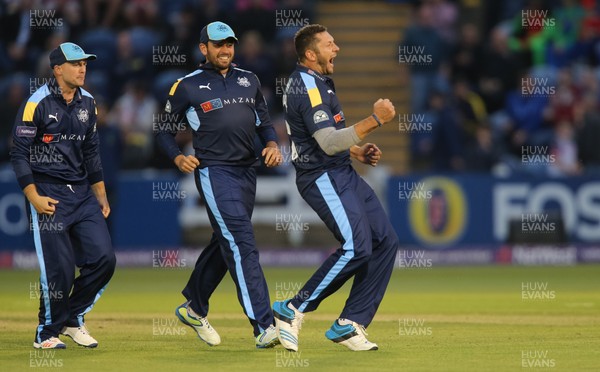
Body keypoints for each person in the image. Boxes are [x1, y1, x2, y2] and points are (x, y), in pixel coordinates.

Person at [155, 21, 283, 349]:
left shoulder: (249, 80)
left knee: (224, 242)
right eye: (218, 44)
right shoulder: (186, 86)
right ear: (204, 48)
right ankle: (264, 324)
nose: (225, 50)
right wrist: (177, 158)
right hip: (214, 172)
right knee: (241, 242)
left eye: (229, 44)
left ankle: (194, 307)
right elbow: (163, 130)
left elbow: (264, 124)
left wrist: (271, 144)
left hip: (247, 172)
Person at [273, 24, 399, 352]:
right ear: (311, 54)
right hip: (321, 176)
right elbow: (327, 143)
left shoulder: (318, 82)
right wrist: (376, 120)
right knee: (356, 247)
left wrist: (355, 150)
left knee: (384, 240)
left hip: (341, 170)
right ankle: (293, 309)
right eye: (330, 45)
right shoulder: (307, 86)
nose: (338, 48)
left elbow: (324, 137)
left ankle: (349, 323)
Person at [10, 42, 116, 349]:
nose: (83, 68)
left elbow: (91, 151)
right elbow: (18, 153)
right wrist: (33, 196)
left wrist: (101, 195)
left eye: (85, 63)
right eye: (75, 63)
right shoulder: (36, 103)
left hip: (82, 193)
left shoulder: (89, 103)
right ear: (58, 69)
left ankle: (72, 317)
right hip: (48, 193)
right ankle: (46, 332)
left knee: (104, 260)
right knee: (60, 268)